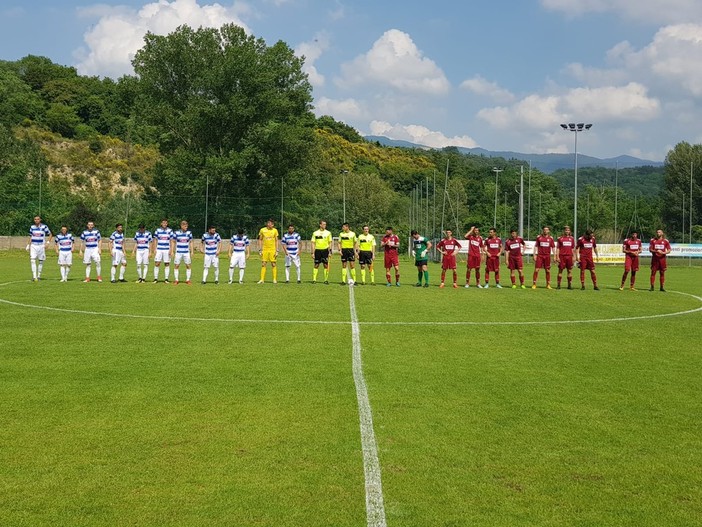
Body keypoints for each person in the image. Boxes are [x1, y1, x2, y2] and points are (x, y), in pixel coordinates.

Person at [28, 215, 52, 281]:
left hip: (41, 246)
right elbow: (30, 236)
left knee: (41, 261)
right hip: (33, 245)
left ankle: (38, 276)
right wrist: (28, 245)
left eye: (38, 219)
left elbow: (50, 234)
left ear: (40, 220)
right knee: (32, 260)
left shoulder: (44, 227)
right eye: (35, 219)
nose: (36, 220)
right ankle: (34, 276)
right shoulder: (32, 227)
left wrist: (48, 243)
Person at [257, 219, 279, 284]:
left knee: (273, 264)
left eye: (271, 223)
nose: (269, 224)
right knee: (263, 264)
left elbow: (276, 240)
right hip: (265, 249)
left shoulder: (275, 230)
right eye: (268, 223)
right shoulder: (262, 230)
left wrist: (277, 250)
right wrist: (260, 249)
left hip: (272, 249)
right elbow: (260, 239)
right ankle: (262, 279)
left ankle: (274, 279)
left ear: (273, 225)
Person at [152, 218, 174, 283]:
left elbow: (172, 240)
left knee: (167, 263)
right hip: (159, 249)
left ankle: (166, 279)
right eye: (163, 223)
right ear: (161, 223)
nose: (164, 224)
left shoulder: (170, 230)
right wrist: (154, 249)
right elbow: (155, 240)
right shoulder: (157, 230)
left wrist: (171, 250)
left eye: (166, 223)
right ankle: (155, 279)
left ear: (167, 224)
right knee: (157, 263)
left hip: (167, 249)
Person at [173, 220, 193, 285]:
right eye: (185, 226)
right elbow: (173, 241)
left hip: (186, 252)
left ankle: (188, 280)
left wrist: (192, 251)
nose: (186, 227)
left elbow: (191, 242)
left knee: (188, 265)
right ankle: (176, 280)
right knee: (176, 265)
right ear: (181, 226)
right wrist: (172, 251)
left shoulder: (189, 233)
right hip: (178, 252)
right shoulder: (176, 233)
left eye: (187, 226)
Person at [556, 225, 576, 290]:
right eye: (566, 230)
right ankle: (558, 285)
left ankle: (569, 285)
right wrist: (557, 256)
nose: (567, 231)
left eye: (568, 230)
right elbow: (558, 248)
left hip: (569, 256)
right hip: (562, 256)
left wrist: (574, 256)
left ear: (570, 231)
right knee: (560, 270)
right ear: (564, 231)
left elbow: (573, 248)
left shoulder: (572, 239)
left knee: (569, 271)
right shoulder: (560, 238)